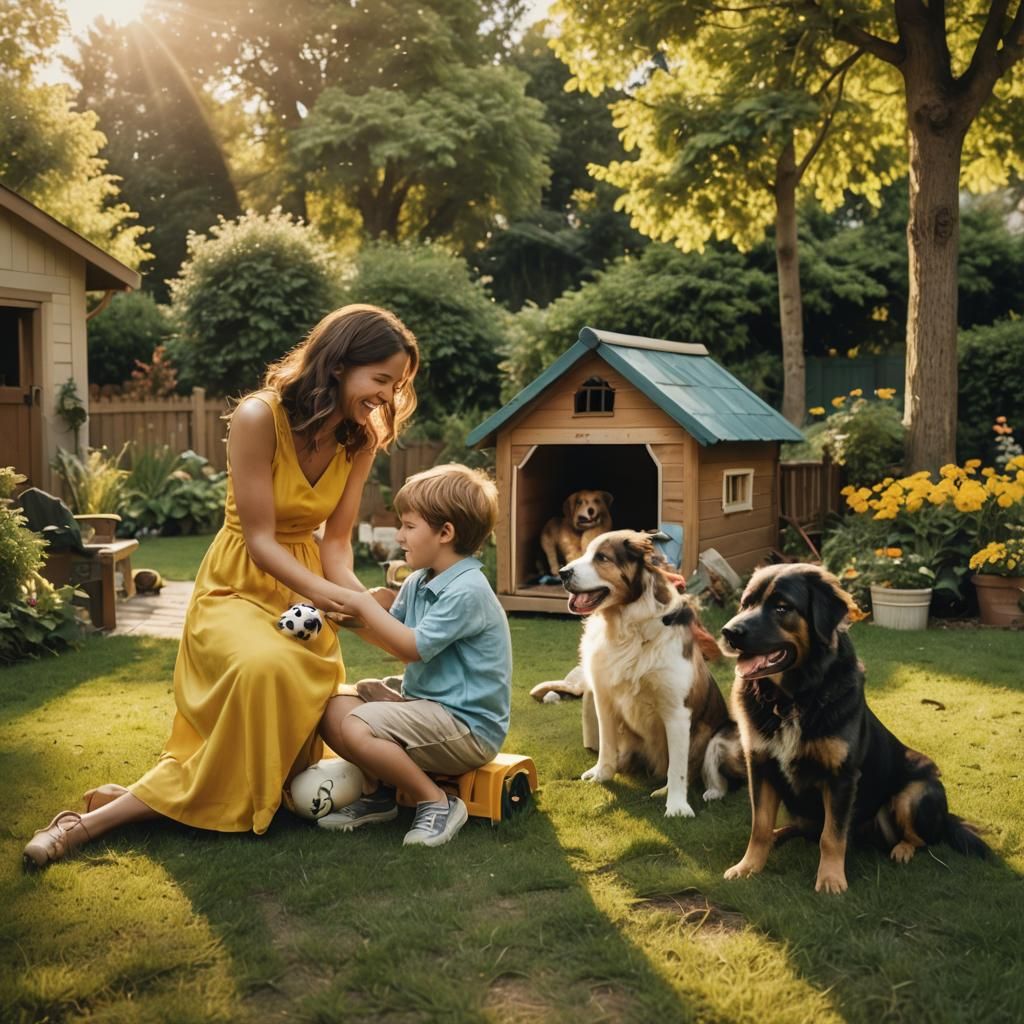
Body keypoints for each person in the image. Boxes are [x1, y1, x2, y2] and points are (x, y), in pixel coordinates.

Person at [22, 304, 419, 869]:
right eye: (381, 380)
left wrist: (359, 600)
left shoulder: (361, 440)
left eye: (397, 384)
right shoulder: (260, 416)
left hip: (304, 588)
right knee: (262, 667)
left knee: (292, 671)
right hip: (236, 584)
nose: (387, 396)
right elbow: (260, 539)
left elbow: (335, 544)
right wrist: (336, 599)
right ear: (338, 364)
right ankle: (83, 827)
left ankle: (147, 802)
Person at [316, 463, 512, 847]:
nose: (399, 535)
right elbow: (392, 637)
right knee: (332, 712)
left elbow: (411, 647)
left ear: (445, 533)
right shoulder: (421, 581)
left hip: (466, 728)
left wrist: (361, 603)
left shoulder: (467, 591)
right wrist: (344, 615)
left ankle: (436, 802)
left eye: (408, 526)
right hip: (426, 709)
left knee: (357, 726)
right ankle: (381, 794)